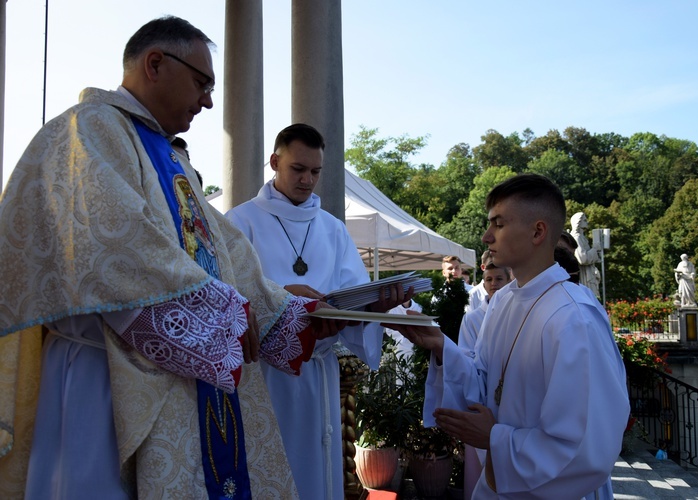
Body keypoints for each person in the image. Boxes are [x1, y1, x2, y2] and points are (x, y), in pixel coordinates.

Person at [0, 16, 348, 499]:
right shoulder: (88, 132)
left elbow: (223, 248)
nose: (208, 100)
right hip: (99, 377)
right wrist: (224, 311)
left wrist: (285, 313)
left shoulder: (169, 157)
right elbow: (115, 249)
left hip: (164, 379)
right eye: (202, 83)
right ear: (156, 63)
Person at [384, 173, 629, 498]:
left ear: (537, 231)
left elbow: (588, 446)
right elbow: (486, 386)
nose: (486, 237)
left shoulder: (575, 318)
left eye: (498, 224)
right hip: (497, 484)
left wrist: (496, 439)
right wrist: (441, 346)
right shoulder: (502, 301)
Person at [225, 123, 410, 500]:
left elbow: (350, 294)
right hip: (264, 376)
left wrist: (375, 304)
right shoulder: (239, 222)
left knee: (317, 471)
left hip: (318, 371)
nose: (308, 179)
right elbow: (227, 297)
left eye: (315, 171)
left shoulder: (333, 229)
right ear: (275, 162)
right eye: (298, 169)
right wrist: (282, 297)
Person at [456, 262, 511, 498]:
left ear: (509, 281)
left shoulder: (515, 312)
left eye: (499, 279)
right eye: (488, 280)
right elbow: (466, 353)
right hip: (481, 389)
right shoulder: (473, 318)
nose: (493, 284)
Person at [570, 212, 602, 300]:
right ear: (578, 223)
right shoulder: (576, 238)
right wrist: (595, 249)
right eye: (584, 220)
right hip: (583, 276)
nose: (586, 222)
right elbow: (582, 258)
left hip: (588, 273)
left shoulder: (582, 238)